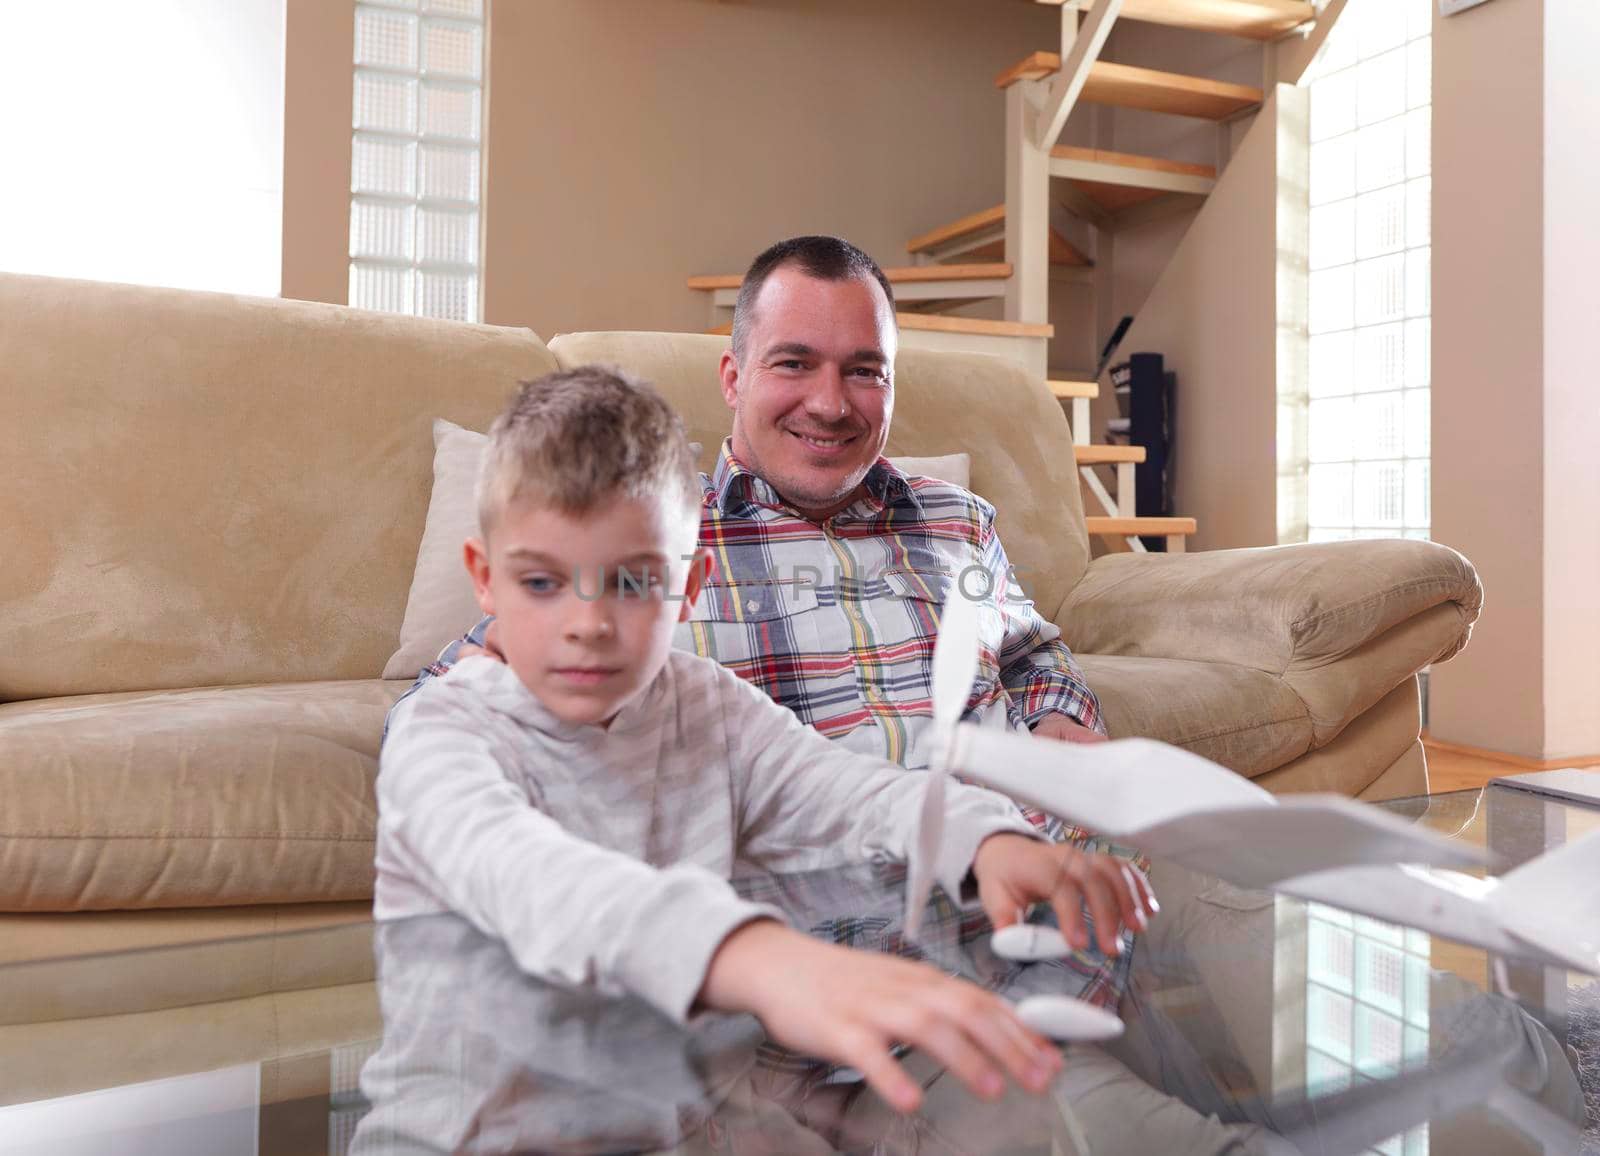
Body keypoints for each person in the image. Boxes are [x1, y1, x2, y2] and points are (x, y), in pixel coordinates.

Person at [375, 366, 1157, 1125]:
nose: (587, 623)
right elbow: (533, 879)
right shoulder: (444, 735)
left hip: (664, 1121)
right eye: (543, 583)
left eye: (632, 582)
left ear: (688, 587)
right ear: (485, 580)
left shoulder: (706, 705)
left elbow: (848, 790)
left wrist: (984, 838)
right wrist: (759, 960)